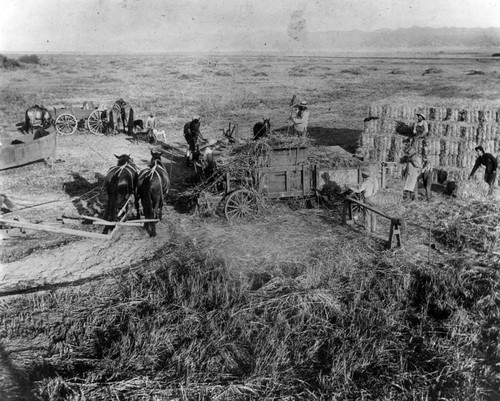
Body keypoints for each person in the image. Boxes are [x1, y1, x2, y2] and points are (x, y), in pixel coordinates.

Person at [349, 167, 379, 232]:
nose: (361, 175)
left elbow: (359, 190)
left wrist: (351, 188)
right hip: (374, 198)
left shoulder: (366, 182)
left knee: (367, 214)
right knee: (373, 214)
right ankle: (373, 229)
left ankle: (367, 229)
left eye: (362, 174)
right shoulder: (374, 179)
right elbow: (376, 188)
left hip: (368, 199)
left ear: (365, 174)